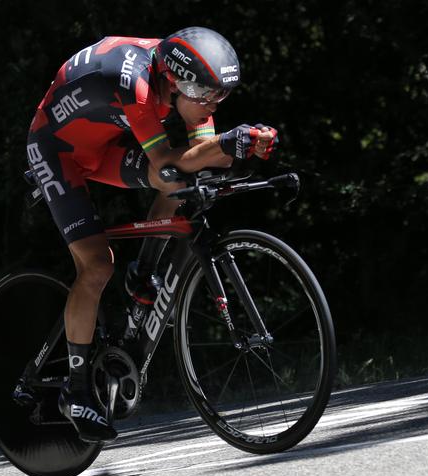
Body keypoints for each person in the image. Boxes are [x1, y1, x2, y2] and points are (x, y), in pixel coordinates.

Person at [15, 26, 278, 443]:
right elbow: (169, 163)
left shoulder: (189, 82)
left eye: (220, 96)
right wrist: (228, 144)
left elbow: (202, 160)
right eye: (207, 97)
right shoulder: (134, 85)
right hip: (56, 150)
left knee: (184, 182)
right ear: (175, 84)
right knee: (98, 266)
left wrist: (236, 147)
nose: (213, 105)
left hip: (103, 144)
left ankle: (144, 269)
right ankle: (77, 389)